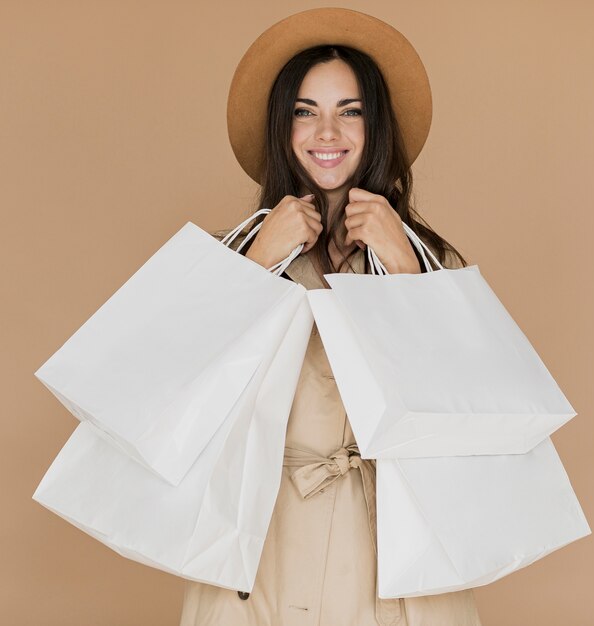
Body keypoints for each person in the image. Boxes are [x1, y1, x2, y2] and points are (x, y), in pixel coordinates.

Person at [179, 8, 483, 626]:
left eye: (350, 110)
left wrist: (403, 268)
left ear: (375, 127)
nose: (328, 131)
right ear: (281, 126)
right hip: (260, 540)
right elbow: (180, 399)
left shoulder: (428, 259)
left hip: (389, 543)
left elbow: (467, 415)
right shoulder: (230, 254)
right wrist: (256, 264)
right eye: (304, 110)